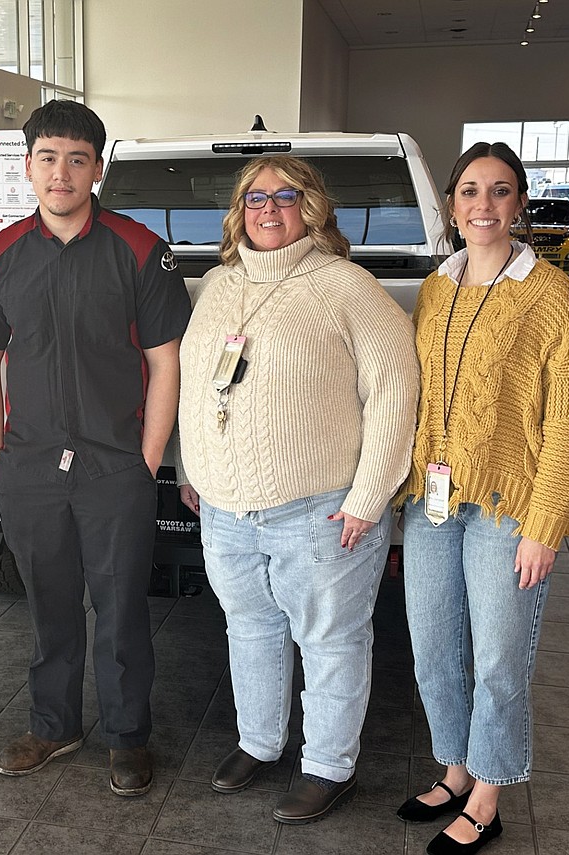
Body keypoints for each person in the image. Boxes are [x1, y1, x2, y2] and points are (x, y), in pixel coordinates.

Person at [176, 155, 419, 824]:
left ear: (311, 208)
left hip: (319, 509)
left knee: (332, 639)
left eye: (286, 196)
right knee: (250, 626)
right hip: (226, 511)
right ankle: (259, 741)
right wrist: (191, 465)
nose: (269, 208)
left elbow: (397, 393)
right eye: (256, 197)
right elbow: (198, 382)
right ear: (239, 210)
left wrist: (370, 496)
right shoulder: (219, 285)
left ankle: (328, 767)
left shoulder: (348, 287)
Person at [0, 100, 191, 796]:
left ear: (96, 169)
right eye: (48, 158)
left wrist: (145, 459)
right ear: (28, 166)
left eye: (78, 159)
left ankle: (127, 736)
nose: (62, 173)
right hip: (29, 467)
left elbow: (165, 361)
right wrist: (0, 459)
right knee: (49, 605)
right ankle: (53, 724)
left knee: (121, 608)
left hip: (113, 465)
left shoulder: (140, 250)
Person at [396, 142, 569, 855]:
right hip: (435, 501)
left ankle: (488, 793)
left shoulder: (551, 294)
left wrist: (544, 525)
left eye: (501, 191)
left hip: (509, 505)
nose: (484, 205)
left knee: (498, 658)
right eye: (471, 191)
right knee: (432, 650)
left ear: (518, 204)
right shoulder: (436, 286)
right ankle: (454, 767)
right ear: (451, 204)